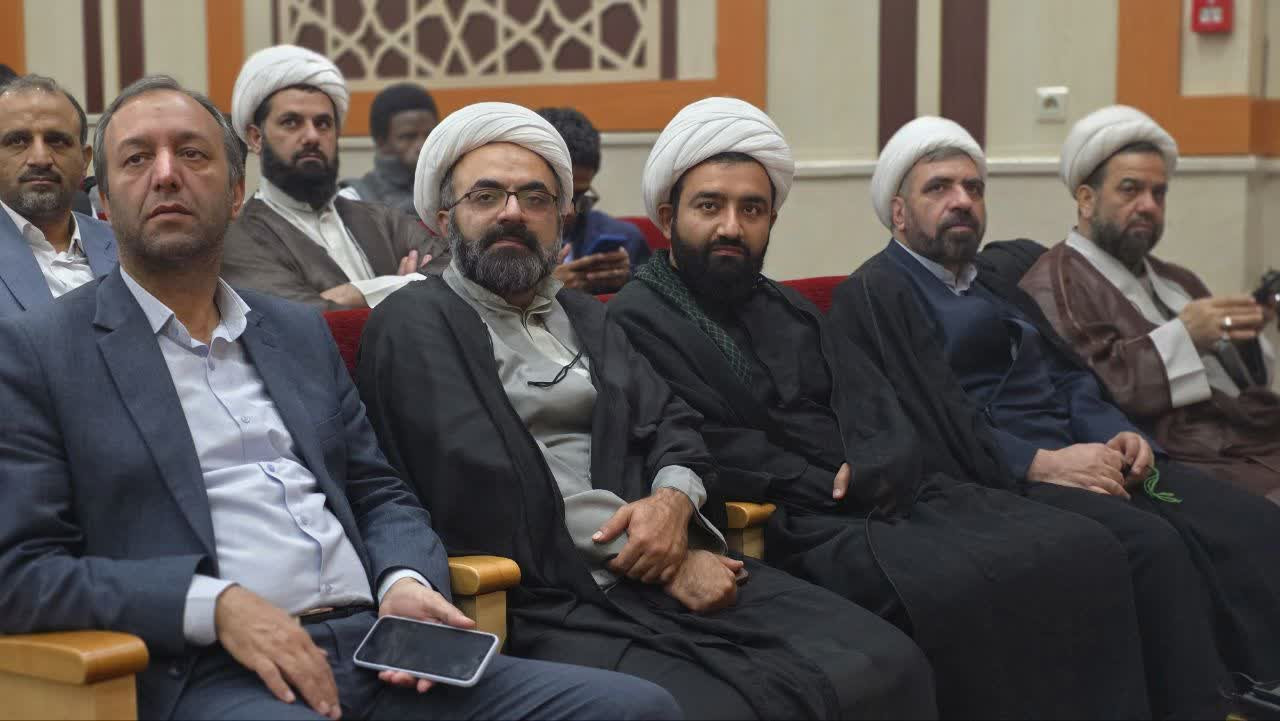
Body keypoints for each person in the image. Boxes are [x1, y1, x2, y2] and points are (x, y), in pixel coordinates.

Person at [0, 75, 682, 721]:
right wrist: (213, 604)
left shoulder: (294, 332)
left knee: (639, 709)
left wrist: (406, 578)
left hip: (380, 644)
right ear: (102, 202)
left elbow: (378, 490)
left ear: (236, 193)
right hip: (217, 668)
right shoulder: (42, 352)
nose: (167, 174)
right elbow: (20, 573)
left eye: (194, 154)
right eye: (137, 158)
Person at [606, 96, 1235, 718]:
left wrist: (880, 458)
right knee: (966, 585)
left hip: (890, 491)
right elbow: (698, 437)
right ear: (668, 214)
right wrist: (827, 479)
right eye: (710, 206)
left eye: (752, 209)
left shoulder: (783, 305)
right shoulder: (639, 315)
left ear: (772, 218)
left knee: (1082, 544)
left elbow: (869, 395)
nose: (731, 227)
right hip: (797, 517)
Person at [355, 101, 937, 720]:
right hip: (552, 591)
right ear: (446, 219)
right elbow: (480, 476)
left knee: (889, 660)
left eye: (536, 198)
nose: (513, 213)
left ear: (562, 217)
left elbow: (674, 423)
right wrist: (662, 557)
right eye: (486, 196)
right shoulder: (413, 321)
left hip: (667, 551)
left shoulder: (587, 315)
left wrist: (674, 503)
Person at [837, 115, 1280, 691]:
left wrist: (1121, 433)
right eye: (939, 188)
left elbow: (1070, 378)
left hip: (1088, 453)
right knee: (1153, 545)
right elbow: (929, 416)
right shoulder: (876, 292)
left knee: (1246, 519)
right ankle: (1200, 699)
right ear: (898, 212)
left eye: (973, 188)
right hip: (1003, 475)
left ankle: (1256, 679)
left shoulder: (995, 280)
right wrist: (1041, 462)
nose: (962, 200)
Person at [1017, 105, 1280, 503]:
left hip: (1243, 432)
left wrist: (1242, 335)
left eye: (1159, 193)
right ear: (1086, 199)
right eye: (1130, 189)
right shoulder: (1054, 284)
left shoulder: (1176, 278)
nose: (1148, 205)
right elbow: (1093, 390)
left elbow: (1246, 381)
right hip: (1182, 455)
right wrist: (1187, 337)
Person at [223, 46, 448, 310]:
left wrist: (355, 294)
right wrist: (406, 289)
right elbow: (310, 319)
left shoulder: (380, 219)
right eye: (291, 122)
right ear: (256, 138)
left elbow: (455, 269)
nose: (312, 137)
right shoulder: (239, 238)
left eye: (323, 124)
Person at [0, 74, 116, 316]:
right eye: (18, 141)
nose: (40, 159)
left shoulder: (124, 245)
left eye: (57, 141)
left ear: (84, 160)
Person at [537, 107, 647, 293]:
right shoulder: (496, 243)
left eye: (580, 196)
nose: (569, 211)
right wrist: (543, 292)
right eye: (556, 196)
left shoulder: (627, 240)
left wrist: (627, 282)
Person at [340, 82, 437, 214]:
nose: (422, 145)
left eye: (430, 135)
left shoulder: (452, 189)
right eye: (408, 137)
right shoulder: (354, 198)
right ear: (381, 142)